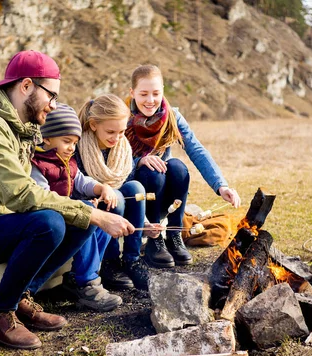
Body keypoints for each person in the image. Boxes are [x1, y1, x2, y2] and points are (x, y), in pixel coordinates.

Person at [0, 50, 133, 350]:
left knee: (81, 220)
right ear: (26, 86)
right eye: (51, 95)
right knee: (51, 222)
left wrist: (90, 212)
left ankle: (21, 295)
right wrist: (97, 216)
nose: (53, 105)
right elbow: (22, 194)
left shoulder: (20, 129)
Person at [126, 64, 241, 269]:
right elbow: (107, 159)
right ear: (132, 92)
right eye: (143, 94)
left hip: (163, 195)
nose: (150, 100)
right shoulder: (122, 116)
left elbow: (196, 150)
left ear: (163, 91)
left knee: (178, 167)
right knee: (152, 171)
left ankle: (174, 234)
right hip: (134, 195)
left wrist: (221, 185)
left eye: (156, 93)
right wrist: (138, 161)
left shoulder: (171, 116)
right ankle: (155, 240)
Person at [28, 103, 122, 311]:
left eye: (74, 142)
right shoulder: (39, 165)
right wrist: (83, 207)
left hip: (68, 214)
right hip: (52, 219)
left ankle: (81, 275)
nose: (72, 147)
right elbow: (45, 199)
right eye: (67, 141)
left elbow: (81, 181)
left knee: (101, 222)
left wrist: (101, 188)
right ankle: (86, 283)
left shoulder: (67, 160)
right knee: (88, 217)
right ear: (47, 138)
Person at [75, 94, 158, 291]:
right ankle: (109, 261)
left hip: (116, 198)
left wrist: (145, 224)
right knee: (117, 197)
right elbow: (77, 184)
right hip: (96, 204)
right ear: (94, 125)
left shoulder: (122, 148)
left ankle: (132, 259)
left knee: (136, 188)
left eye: (122, 131)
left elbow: (127, 185)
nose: (117, 138)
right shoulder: (80, 147)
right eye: (111, 131)